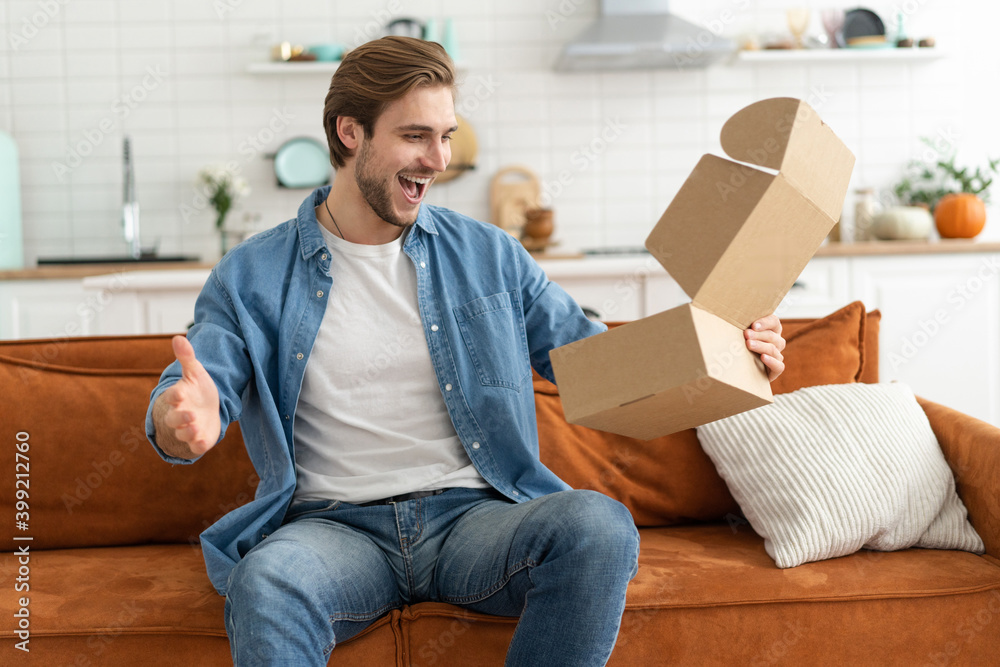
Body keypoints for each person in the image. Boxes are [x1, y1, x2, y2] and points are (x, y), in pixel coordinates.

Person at [146, 36, 786, 666]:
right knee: (267, 581)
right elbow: (195, 392)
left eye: (446, 135)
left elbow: (599, 365)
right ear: (350, 132)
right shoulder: (253, 273)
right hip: (331, 529)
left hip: (472, 522)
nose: (440, 158)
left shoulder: (489, 254)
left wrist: (730, 348)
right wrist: (180, 418)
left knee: (597, 526)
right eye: (416, 136)